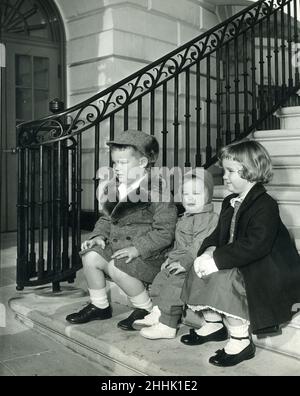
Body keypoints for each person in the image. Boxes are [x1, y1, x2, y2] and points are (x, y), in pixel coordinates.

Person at [180, 139, 300, 367]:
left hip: (266, 264)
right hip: (238, 255)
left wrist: (218, 260)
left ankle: (241, 340)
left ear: (252, 172)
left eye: (230, 171)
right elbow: (218, 234)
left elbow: (257, 245)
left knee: (225, 280)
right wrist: (208, 251)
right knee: (199, 268)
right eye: (223, 170)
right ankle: (214, 324)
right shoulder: (228, 201)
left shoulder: (266, 205)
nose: (224, 176)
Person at [66, 129, 177, 330]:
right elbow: (106, 219)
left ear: (143, 163)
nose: (116, 168)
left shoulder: (157, 190)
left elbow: (165, 231)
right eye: (115, 163)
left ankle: (145, 307)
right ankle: (100, 305)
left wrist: (137, 249)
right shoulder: (113, 187)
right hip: (118, 247)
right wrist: (99, 236)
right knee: (90, 255)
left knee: (118, 264)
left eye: (123, 163)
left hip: (148, 254)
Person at [133, 169, 219, 340]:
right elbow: (179, 244)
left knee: (175, 285)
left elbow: (200, 244)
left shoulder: (207, 218)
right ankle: (158, 312)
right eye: (185, 193)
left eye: (196, 193)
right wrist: (170, 259)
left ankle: (168, 325)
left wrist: (184, 263)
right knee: (160, 280)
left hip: (195, 263)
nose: (190, 198)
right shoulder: (186, 216)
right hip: (178, 260)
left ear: (209, 195)